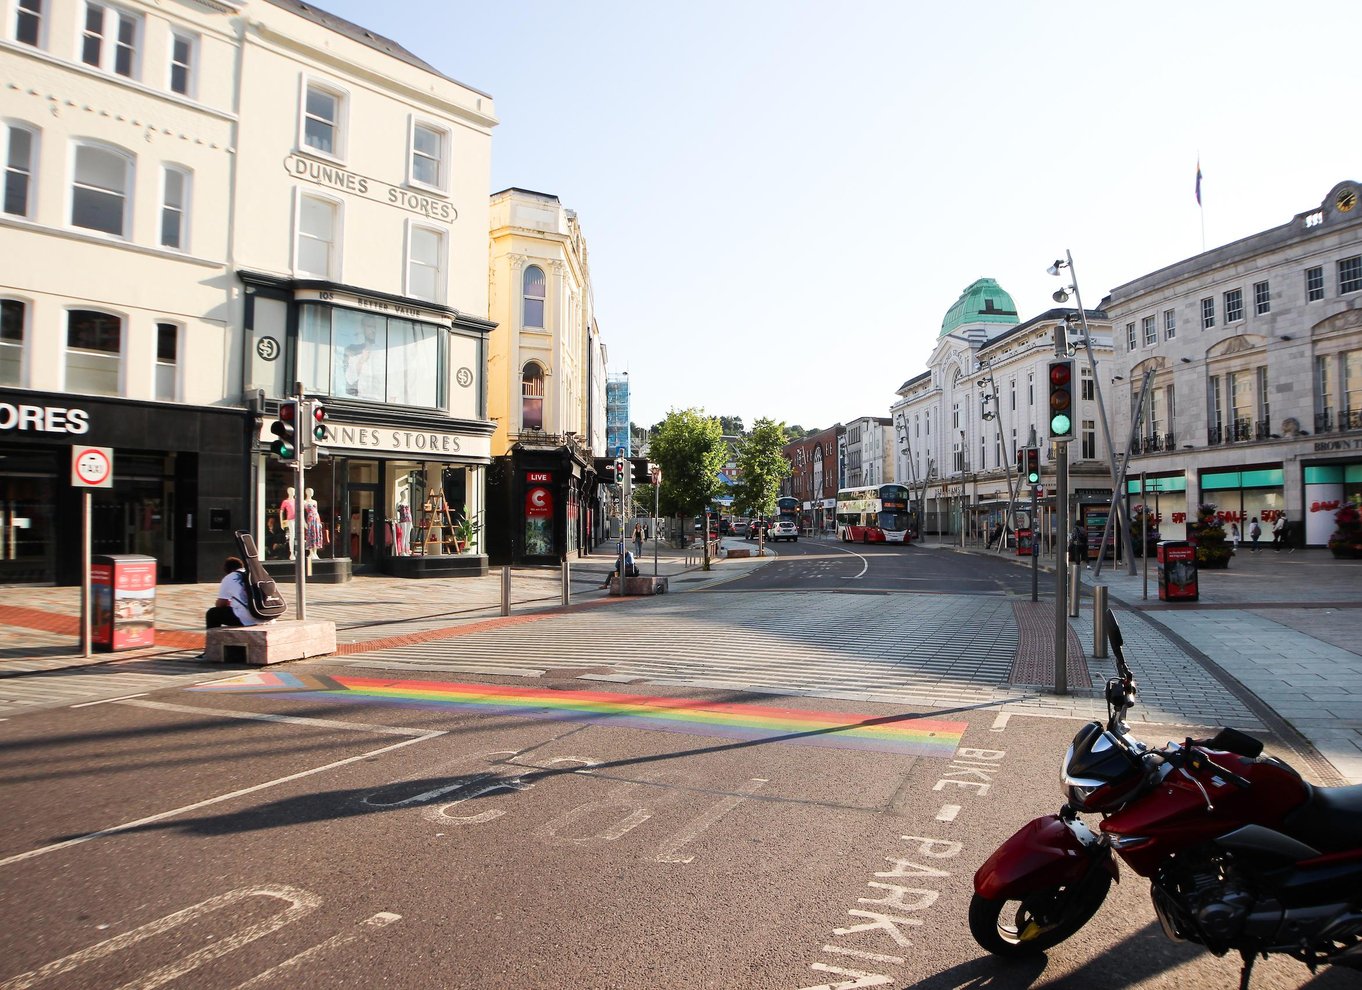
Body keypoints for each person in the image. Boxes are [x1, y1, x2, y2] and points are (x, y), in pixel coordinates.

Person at [205, 557, 258, 628]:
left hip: (248, 618)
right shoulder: (253, 574)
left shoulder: (229, 577)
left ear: (228, 570)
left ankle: (215, 637)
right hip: (264, 615)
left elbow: (221, 603)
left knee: (212, 613)